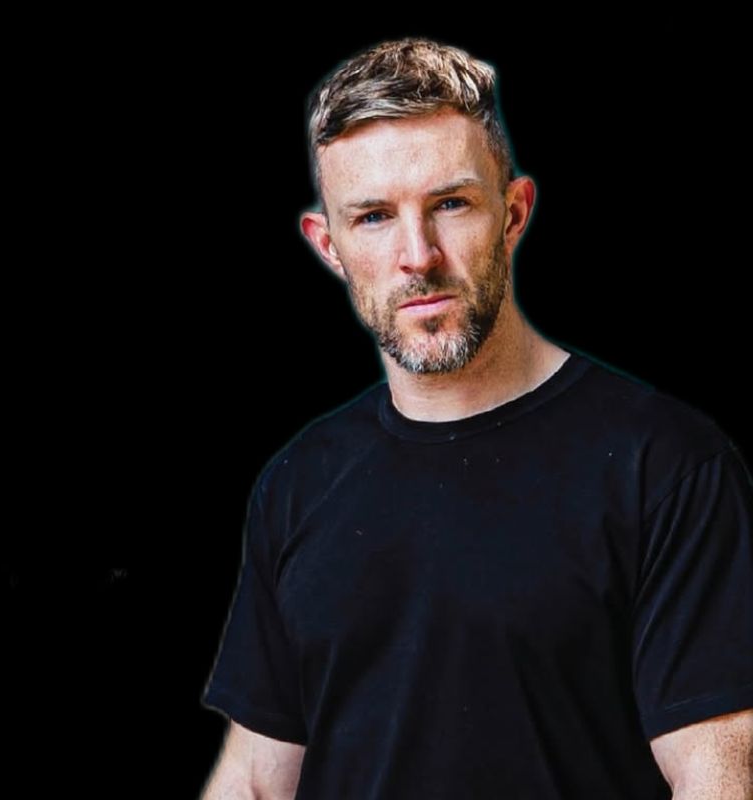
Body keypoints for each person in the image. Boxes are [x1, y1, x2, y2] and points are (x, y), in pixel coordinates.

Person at [199, 37, 753, 798]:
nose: (417, 255)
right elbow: (257, 780)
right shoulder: (299, 481)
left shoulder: (665, 464)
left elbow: (716, 779)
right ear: (329, 246)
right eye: (373, 217)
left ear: (513, 212)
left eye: (450, 204)